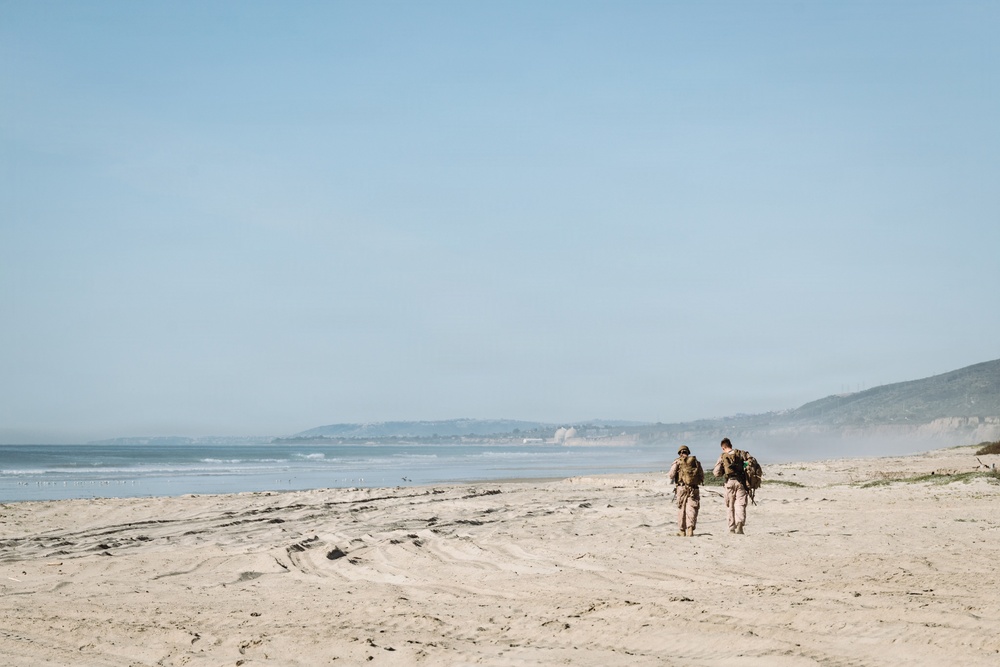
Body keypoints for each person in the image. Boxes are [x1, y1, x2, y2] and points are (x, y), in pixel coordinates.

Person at [713, 437, 750, 534]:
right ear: (731, 445)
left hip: (729, 482)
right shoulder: (741, 453)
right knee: (740, 504)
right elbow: (750, 463)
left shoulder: (722, 456)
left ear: (723, 447)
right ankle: (740, 524)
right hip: (740, 482)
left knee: (730, 505)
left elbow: (716, 473)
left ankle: (731, 528)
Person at [667, 445, 704, 537]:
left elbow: (671, 475)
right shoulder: (696, 462)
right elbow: (702, 476)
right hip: (694, 489)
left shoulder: (677, 462)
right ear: (688, 452)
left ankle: (682, 530)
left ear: (679, 453)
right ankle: (690, 528)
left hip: (681, 488)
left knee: (681, 509)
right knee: (692, 508)